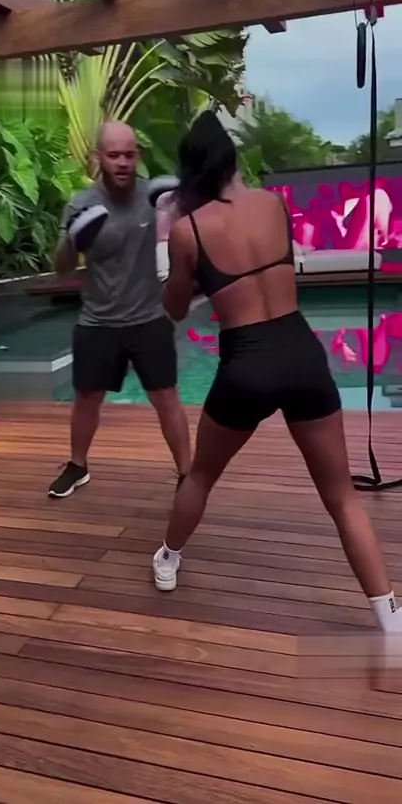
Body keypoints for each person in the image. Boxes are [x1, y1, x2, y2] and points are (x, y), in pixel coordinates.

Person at [152, 110, 401, 634]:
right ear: (234, 160)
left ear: (192, 172)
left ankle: (169, 557)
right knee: (342, 497)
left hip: (247, 364)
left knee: (200, 475)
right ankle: (389, 616)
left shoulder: (187, 230)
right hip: (301, 353)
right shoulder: (275, 205)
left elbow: (174, 308)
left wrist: (177, 260)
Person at [49, 121, 191, 498]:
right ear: (99, 158)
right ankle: (78, 465)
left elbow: (192, 223)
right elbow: (62, 269)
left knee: (167, 397)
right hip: (98, 321)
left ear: (137, 155)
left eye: (129, 154)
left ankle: (186, 473)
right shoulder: (81, 203)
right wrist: (74, 239)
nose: (123, 163)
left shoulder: (155, 198)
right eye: (114, 155)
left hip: (149, 318)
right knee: (87, 398)